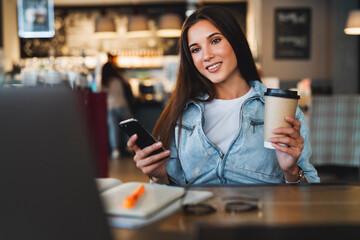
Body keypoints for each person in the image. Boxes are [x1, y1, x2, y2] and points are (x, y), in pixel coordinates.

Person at [127, 6, 320, 185]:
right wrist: (159, 176)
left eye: (215, 40)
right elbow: (171, 195)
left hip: (260, 219)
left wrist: (291, 172)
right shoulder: (181, 114)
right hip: (199, 219)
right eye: (196, 49)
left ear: (235, 41)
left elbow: (309, 194)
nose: (206, 55)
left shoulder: (280, 109)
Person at [101, 54, 134, 159]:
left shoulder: (104, 82)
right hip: (122, 104)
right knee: (129, 126)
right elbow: (128, 86)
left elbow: (101, 94)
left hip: (110, 106)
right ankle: (130, 147)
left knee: (113, 129)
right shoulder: (118, 78)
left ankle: (116, 150)